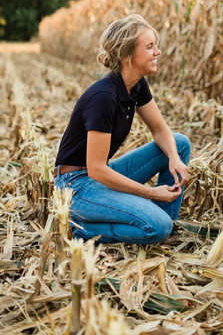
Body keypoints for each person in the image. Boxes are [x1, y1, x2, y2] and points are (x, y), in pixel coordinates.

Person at [54, 14, 191, 245]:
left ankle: (160, 220)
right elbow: (96, 170)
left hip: (97, 177)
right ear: (127, 56)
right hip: (75, 187)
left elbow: (159, 129)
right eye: (150, 47)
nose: (158, 51)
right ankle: (79, 228)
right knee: (157, 227)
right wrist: (150, 193)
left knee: (178, 143)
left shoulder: (136, 85)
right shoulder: (103, 98)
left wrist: (174, 159)